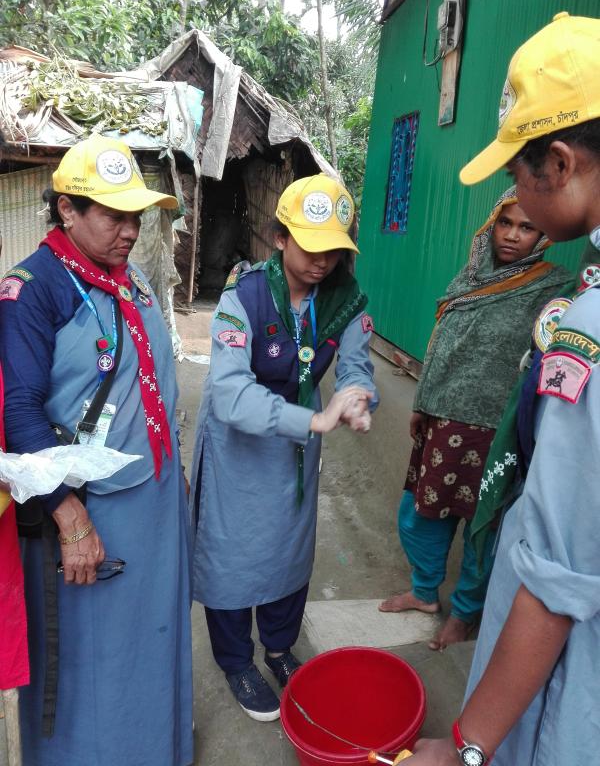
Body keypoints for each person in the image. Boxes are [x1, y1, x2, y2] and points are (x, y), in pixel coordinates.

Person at [408, 12, 600, 766]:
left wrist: (466, 746)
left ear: (559, 163)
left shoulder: (586, 327)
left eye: (517, 173)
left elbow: (557, 577)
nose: (515, 200)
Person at [0, 133, 194, 765]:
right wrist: (70, 518)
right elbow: (19, 414)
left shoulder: (127, 277)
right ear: (67, 209)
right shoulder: (34, 291)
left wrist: (174, 469)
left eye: (136, 215)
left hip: (153, 500)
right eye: (114, 216)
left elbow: (154, 381)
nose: (131, 230)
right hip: (89, 510)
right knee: (92, 661)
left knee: (153, 637)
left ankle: (155, 748)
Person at [189, 173, 377, 722]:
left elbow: (357, 366)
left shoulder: (345, 301)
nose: (322, 261)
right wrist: (314, 418)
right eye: (310, 245)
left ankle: (278, 647)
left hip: (296, 447)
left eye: (333, 250)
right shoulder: (243, 296)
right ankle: (236, 660)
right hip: (238, 445)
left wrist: (356, 397)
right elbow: (228, 393)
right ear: (280, 238)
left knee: (289, 549)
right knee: (231, 552)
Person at [379, 187, 571, 651]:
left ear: (543, 236)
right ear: (491, 224)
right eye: (505, 223)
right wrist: (423, 402)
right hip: (445, 421)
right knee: (422, 514)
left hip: (499, 431)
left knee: (483, 526)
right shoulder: (470, 276)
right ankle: (425, 592)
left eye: (527, 227)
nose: (513, 235)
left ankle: (465, 613)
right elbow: (443, 341)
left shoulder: (554, 289)